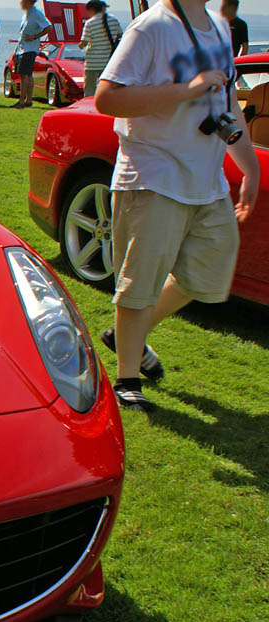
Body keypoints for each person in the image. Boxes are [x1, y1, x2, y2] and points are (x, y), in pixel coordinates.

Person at [94, 0, 259, 410]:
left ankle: (127, 337)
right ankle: (127, 379)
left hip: (207, 179)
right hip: (153, 174)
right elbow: (107, 98)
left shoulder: (219, 27)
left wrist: (250, 168)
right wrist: (187, 90)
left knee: (210, 270)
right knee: (140, 282)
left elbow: (228, 102)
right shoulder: (150, 27)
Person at [12, 0, 52, 108]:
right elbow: (22, 34)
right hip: (22, 48)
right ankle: (28, 99)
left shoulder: (36, 13)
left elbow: (48, 27)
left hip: (30, 49)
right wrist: (16, 50)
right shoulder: (26, 14)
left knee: (24, 74)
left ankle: (22, 101)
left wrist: (35, 36)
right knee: (27, 74)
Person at [80, 0, 123, 95]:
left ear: (91, 9)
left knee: (90, 89)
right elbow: (119, 34)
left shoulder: (90, 22)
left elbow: (84, 42)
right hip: (108, 61)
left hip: (92, 62)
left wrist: (80, 46)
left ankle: (89, 103)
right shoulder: (114, 20)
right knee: (106, 87)